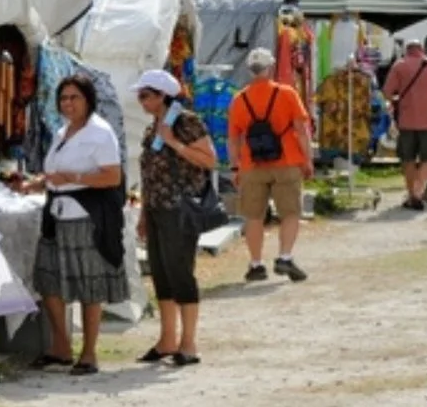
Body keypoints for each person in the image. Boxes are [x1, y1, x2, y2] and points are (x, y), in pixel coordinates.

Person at [27, 72, 126, 374]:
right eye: (64, 98)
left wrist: (73, 178)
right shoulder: (62, 132)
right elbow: (58, 174)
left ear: (88, 100)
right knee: (48, 280)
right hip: (56, 214)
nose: (68, 104)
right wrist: (37, 183)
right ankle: (61, 346)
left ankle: (90, 353)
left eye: (74, 97)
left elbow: (112, 177)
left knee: (88, 284)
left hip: (85, 216)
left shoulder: (101, 133)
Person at [133, 70, 217, 365]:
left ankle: (189, 342)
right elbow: (149, 173)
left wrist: (174, 143)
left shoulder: (186, 122)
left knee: (180, 271)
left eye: (145, 95)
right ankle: (167, 338)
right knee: (161, 273)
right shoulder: (153, 126)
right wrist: (144, 212)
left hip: (180, 208)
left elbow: (209, 160)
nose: (140, 101)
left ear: (161, 95)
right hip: (157, 207)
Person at [225, 46, 313, 282]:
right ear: (271, 67)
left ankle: (256, 264)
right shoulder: (287, 93)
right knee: (290, 213)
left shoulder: (239, 99)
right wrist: (307, 160)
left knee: (254, 217)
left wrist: (236, 166)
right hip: (287, 161)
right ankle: (284, 257)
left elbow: (233, 139)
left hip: (252, 165)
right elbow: (301, 131)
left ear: (249, 71)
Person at [382, 38, 427, 210]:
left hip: (406, 120)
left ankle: (412, 194)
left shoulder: (399, 65)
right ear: (422, 49)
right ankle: (418, 192)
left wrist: (397, 100)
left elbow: (387, 92)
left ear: (407, 50)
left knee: (408, 159)